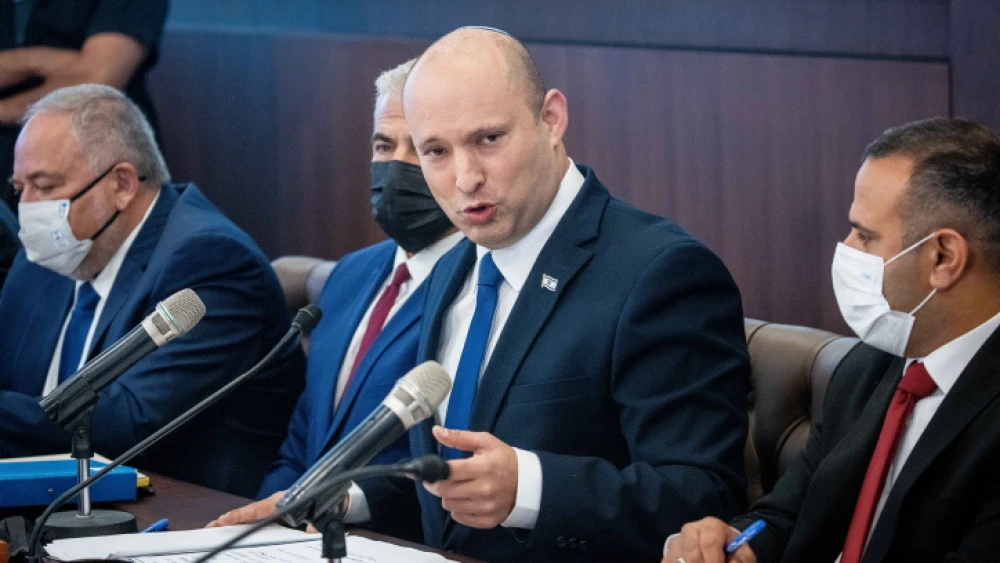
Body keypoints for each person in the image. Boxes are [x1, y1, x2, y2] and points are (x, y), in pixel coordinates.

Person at [346, 28, 750, 562]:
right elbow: (454, 496)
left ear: (552, 119)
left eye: (488, 139)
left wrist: (529, 490)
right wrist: (340, 500)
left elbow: (701, 498)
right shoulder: (453, 268)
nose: (465, 178)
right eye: (436, 152)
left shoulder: (663, 272)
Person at [664, 118, 1000, 563]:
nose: (846, 246)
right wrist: (732, 548)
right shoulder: (872, 365)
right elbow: (784, 517)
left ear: (943, 257)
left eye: (865, 234)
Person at [0, 84, 305, 497]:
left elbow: (128, 422)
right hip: (51, 506)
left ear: (122, 184)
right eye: (21, 189)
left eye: (47, 186)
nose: (28, 209)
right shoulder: (48, 257)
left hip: (183, 518)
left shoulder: (210, 259)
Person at [207, 59, 462, 533]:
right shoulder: (352, 273)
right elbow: (302, 440)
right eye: (384, 145)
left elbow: (445, 461)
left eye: (423, 149)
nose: (396, 165)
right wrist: (261, 526)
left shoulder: (481, 285)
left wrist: (325, 506)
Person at [0, 0, 168, 206]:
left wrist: (19, 66)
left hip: (88, 153)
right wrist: (55, 62)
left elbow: (98, 80)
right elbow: (94, 70)